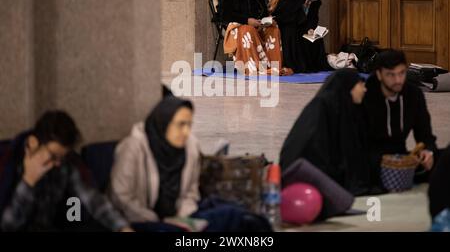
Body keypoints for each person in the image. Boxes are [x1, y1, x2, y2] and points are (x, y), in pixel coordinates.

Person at [109, 96, 271, 232]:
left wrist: (183, 217)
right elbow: (121, 196)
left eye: (189, 125)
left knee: (239, 216)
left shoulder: (190, 146)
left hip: (181, 217)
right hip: (142, 220)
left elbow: (191, 193)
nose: (186, 132)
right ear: (164, 123)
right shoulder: (134, 147)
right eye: (180, 125)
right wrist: (156, 219)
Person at [0, 111, 132, 232]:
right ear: (33, 143)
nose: (58, 163)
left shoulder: (64, 165)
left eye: (61, 158)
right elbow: (8, 225)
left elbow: (92, 199)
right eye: (53, 156)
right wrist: (28, 181)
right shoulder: (8, 161)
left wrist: (123, 227)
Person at [279, 69, 371, 195]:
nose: (364, 90)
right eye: (360, 85)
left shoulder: (344, 107)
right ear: (349, 87)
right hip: (306, 173)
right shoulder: (324, 107)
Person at [363, 50, 438, 186]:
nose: (398, 80)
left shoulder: (414, 95)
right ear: (379, 74)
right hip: (369, 159)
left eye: (401, 73)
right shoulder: (365, 95)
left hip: (401, 156)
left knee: (443, 159)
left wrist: (428, 151)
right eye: (391, 75)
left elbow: (425, 135)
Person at [221, 0, 291, 75]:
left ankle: (272, 66)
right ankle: (253, 67)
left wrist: (266, 20)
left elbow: (261, 7)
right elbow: (225, 14)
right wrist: (247, 20)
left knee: (273, 29)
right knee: (248, 31)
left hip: (255, 23)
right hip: (238, 25)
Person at [270, 0, 330, 73]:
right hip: (287, 26)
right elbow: (281, 17)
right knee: (292, 33)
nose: (309, 3)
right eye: (308, 1)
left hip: (302, 27)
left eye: (311, 2)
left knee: (317, 39)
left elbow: (313, 18)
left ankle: (312, 64)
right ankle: (296, 64)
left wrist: (311, 29)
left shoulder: (312, 4)